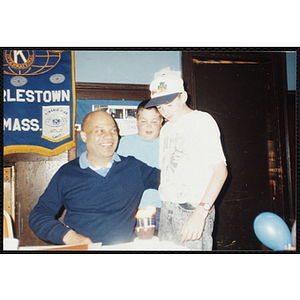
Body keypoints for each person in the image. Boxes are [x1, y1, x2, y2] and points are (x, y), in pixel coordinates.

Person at [29, 111, 160, 246]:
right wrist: (68, 237)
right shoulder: (67, 173)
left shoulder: (133, 167)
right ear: (84, 136)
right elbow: (38, 216)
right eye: (100, 131)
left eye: (113, 130)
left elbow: (170, 180)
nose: (109, 137)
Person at [145, 67, 228, 250]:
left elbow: (220, 171)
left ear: (183, 96)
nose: (165, 112)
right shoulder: (166, 128)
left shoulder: (202, 121)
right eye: (159, 107)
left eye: (169, 104)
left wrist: (201, 212)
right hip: (167, 208)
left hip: (192, 208)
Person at [117, 100, 163, 230]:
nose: (149, 126)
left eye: (154, 121)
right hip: (135, 210)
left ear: (161, 122)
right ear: (136, 121)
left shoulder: (167, 143)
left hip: (164, 208)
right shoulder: (125, 143)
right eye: (144, 121)